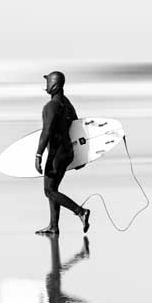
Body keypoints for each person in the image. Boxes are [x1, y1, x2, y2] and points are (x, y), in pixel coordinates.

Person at [35, 71, 91, 236]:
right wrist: (82, 156)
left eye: (47, 82)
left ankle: (80, 211)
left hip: (56, 153)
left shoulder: (50, 106)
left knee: (49, 191)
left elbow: (46, 132)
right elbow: (77, 127)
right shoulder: (67, 105)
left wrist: (38, 155)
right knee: (53, 189)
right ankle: (53, 226)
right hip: (68, 152)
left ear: (53, 84)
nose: (46, 86)